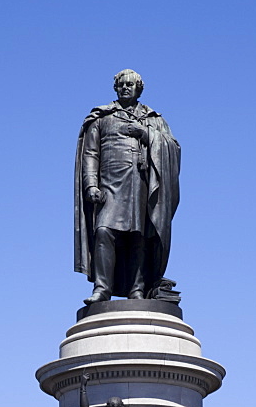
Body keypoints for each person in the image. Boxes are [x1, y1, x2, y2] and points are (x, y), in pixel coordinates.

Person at [75, 69, 181, 304]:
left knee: (139, 237)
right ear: (116, 88)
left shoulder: (154, 120)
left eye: (130, 85)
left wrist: (146, 134)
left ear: (138, 89)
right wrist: (90, 184)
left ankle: (137, 290)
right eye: (121, 84)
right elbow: (90, 153)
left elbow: (173, 148)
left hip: (141, 186)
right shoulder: (103, 118)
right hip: (110, 187)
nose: (125, 88)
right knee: (103, 231)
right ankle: (102, 288)